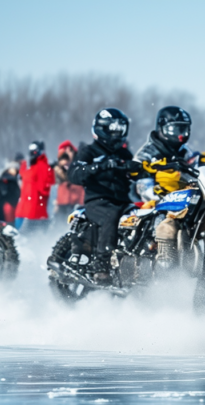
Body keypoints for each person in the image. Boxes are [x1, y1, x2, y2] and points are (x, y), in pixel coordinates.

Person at [69, 108, 140, 283]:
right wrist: (99, 167)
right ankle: (101, 264)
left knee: (142, 218)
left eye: (120, 129)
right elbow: (74, 173)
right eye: (114, 128)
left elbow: (135, 171)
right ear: (103, 128)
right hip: (98, 200)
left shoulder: (123, 153)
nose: (117, 133)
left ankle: (136, 263)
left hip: (123, 201)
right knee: (112, 215)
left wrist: (139, 170)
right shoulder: (89, 151)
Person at [134, 106, 196, 267]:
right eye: (176, 128)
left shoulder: (185, 151)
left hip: (181, 201)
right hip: (152, 202)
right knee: (161, 220)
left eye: (184, 128)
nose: (181, 134)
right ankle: (162, 261)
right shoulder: (148, 151)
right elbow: (140, 182)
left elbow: (196, 171)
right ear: (162, 128)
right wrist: (155, 193)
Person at [15, 141, 55, 231]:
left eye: (35, 151)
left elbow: (44, 189)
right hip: (25, 209)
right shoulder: (30, 166)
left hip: (34, 211)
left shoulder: (42, 166)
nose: (33, 154)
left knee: (29, 238)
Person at [53, 140, 85, 224]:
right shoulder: (59, 168)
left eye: (68, 151)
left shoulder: (78, 163)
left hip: (76, 200)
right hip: (63, 202)